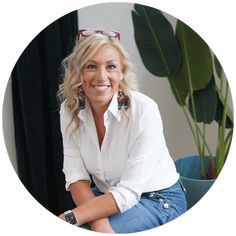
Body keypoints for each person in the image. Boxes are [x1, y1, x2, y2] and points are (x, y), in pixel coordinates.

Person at [58, 29, 187, 234]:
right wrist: (99, 223)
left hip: (159, 199)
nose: (101, 76)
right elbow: (76, 177)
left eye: (110, 66)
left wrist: (72, 217)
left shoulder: (143, 109)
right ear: (78, 72)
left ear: (121, 72)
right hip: (107, 196)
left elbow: (129, 190)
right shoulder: (70, 109)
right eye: (91, 66)